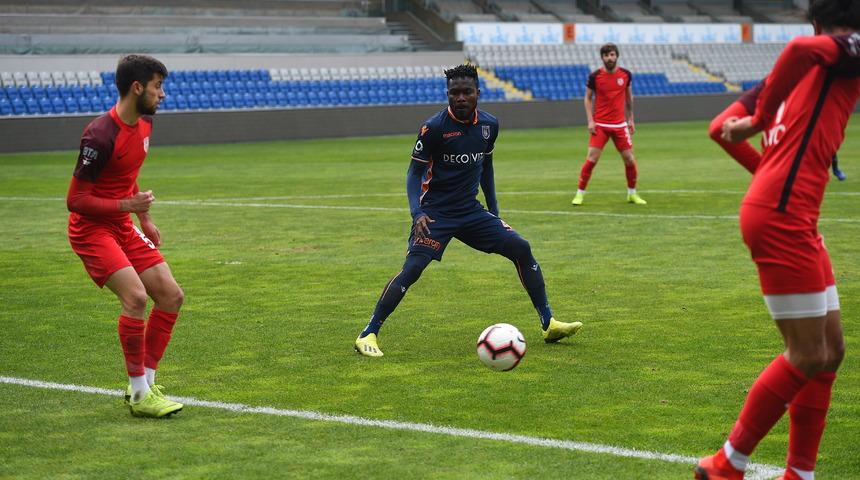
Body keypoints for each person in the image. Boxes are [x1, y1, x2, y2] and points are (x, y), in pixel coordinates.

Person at [696, 1, 859, 478]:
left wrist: (764, 162)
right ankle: (727, 464)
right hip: (783, 215)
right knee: (807, 352)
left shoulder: (794, 75)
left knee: (831, 350)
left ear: (815, 17)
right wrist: (761, 120)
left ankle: (800, 472)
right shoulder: (840, 51)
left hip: (789, 212)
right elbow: (800, 47)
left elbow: (715, 129)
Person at [354, 64, 582, 357]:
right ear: (447, 94)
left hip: (471, 212)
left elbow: (486, 167)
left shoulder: (489, 125)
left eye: (466, 92)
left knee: (521, 248)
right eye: (454, 93)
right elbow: (413, 174)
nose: (460, 98)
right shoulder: (434, 128)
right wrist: (417, 212)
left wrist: (495, 211)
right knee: (413, 269)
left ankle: (548, 323)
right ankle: (368, 332)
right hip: (435, 214)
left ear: (478, 93)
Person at [67, 54, 184, 418]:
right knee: (135, 297)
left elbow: (128, 176)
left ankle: (146, 382)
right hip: (91, 230)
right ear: (137, 88)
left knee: (170, 296)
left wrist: (143, 218)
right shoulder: (100, 135)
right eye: (157, 86)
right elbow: (76, 200)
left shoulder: (145, 125)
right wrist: (126, 206)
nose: (162, 94)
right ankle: (138, 395)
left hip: (123, 225)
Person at [710, 82, 847, 181]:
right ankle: (769, 178)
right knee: (718, 128)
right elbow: (718, 129)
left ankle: (832, 166)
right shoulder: (781, 73)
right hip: (776, 81)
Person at [572, 43, 646, 206]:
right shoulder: (595, 76)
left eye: (612, 55)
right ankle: (579, 194)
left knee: (629, 159)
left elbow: (629, 98)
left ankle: (632, 194)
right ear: (602, 58)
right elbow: (587, 98)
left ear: (616, 56)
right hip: (600, 125)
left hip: (620, 125)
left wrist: (631, 118)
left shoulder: (626, 75)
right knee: (592, 158)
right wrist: (590, 120)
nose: (609, 58)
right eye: (606, 55)